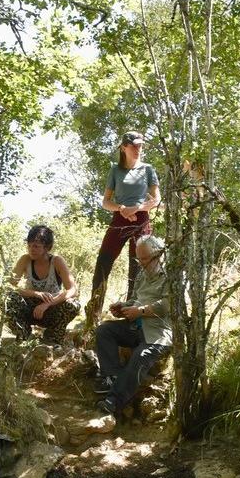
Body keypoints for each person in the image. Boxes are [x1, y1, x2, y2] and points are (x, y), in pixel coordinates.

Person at [91, 235, 171, 430]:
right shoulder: (143, 275)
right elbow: (136, 299)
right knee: (104, 331)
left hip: (158, 332)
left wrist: (141, 311)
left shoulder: (172, 275)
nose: (141, 263)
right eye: (139, 259)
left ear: (158, 254)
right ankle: (113, 378)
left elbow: (171, 304)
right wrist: (123, 307)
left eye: (145, 258)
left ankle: (113, 401)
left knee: (140, 356)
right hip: (136, 326)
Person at [84, 130, 160, 330]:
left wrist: (138, 208)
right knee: (103, 262)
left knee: (139, 266)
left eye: (140, 146)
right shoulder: (115, 170)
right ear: (123, 147)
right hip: (119, 219)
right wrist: (122, 209)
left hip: (141, 219)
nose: (138, 149)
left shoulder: (148, 169)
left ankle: (132, 316)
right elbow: (105, 202)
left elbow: (156, 200)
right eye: (134, 146)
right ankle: (93, 315)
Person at [4, 224, 80, 344]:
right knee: (8, 300)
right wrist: (35, 293)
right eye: (29, 245)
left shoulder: (57, 261)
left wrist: (47, 304)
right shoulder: (25, 259)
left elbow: (73, 290)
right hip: (30, 307)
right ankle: (23, 335)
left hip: (51, 309)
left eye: (36, 246)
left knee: (73, 305)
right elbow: (9, 286)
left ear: (47, 247)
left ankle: (53, 337)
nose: (31, 249)